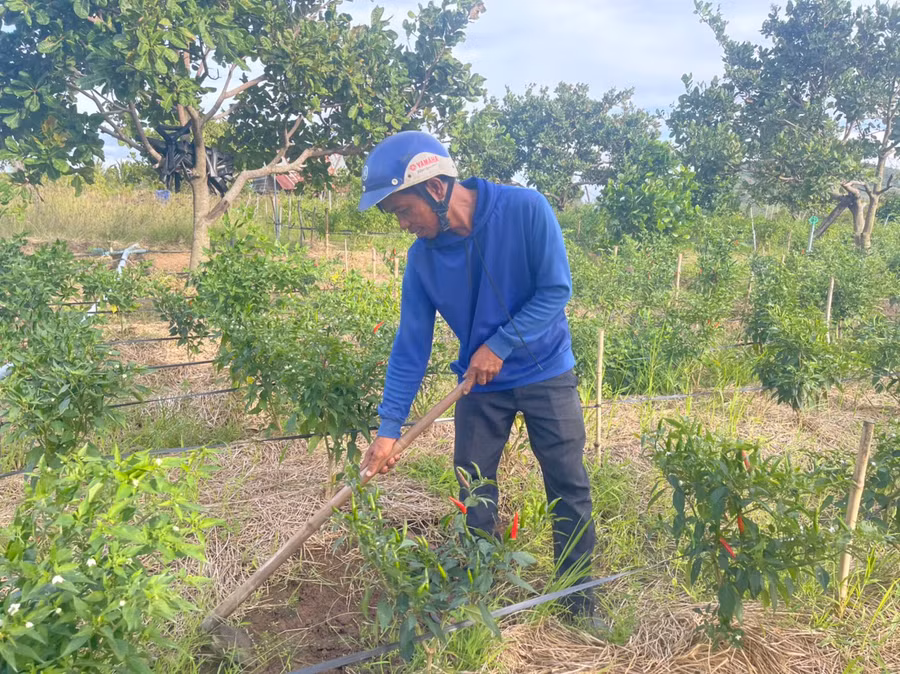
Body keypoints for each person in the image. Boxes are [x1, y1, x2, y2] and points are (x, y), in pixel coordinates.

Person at [357, 130, 598, 622]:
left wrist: (500, 343)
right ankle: (475, 596)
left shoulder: (526, 210)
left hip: (546, 369)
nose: (403, 224)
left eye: (404, 210)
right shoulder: (423, 259)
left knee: (567, 482)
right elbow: (410, 345)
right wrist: (388, 431)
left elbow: (556, 290)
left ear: (436, 189)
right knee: (473, 489)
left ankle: (578, 601)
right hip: (480, 384)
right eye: (395, 216)